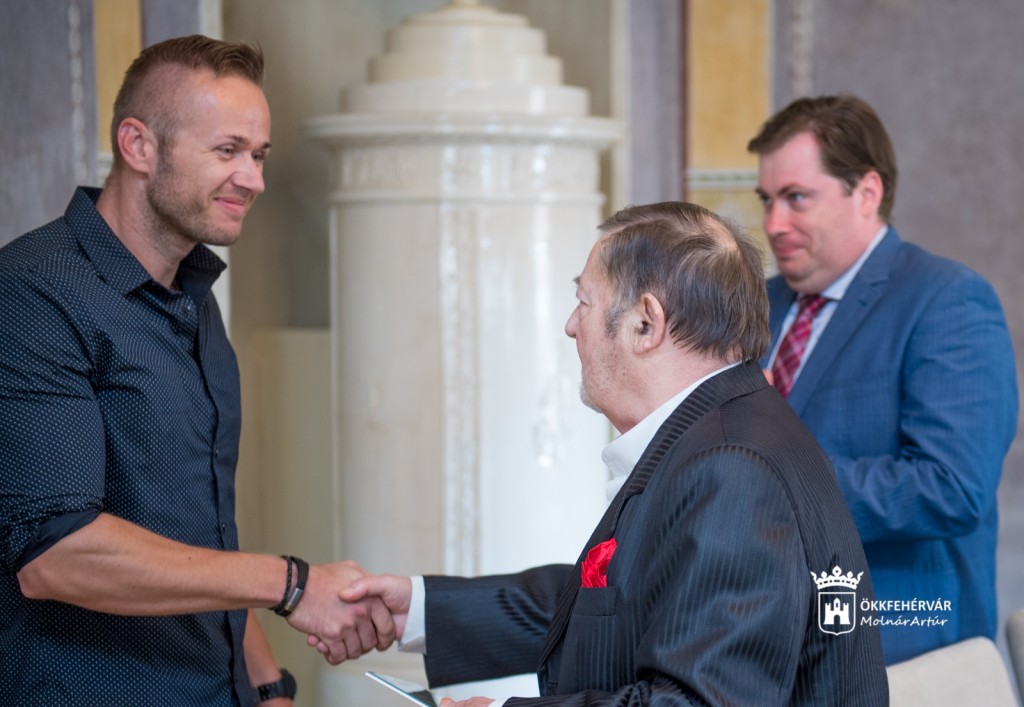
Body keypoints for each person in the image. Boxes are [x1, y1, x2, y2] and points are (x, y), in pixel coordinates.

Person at [342, 202, 888, 706]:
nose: (570, 326)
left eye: (584, 301)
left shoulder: (731, 468)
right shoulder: (722, 431)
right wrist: (418, 609)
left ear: (645, 324)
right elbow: (621, 600)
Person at [0, 35, 391, 704]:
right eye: (227, 150)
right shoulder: (32, 294)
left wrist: (268, 686)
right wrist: (292, 584)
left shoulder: (194, 300)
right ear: (138, 145)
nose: (254, 179)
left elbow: (201, 535)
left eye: (258, 155)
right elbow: (56, 553)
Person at [747, 94, 1018, 665]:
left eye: (796, 198)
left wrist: (778, 476)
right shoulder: (754, 307)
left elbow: (952, 487)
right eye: (766, 200)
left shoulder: (947, 301)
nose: (774, 224)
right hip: (765, 646)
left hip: (901, 646)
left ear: (866, 192)